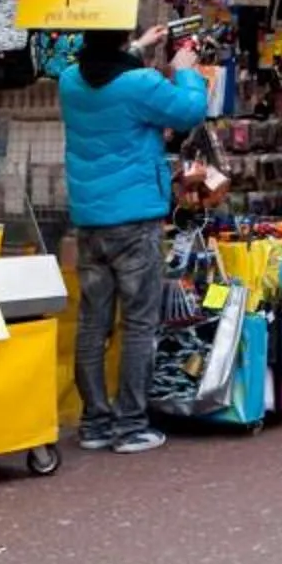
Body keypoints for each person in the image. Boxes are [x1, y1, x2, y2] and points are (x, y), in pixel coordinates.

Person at [60, 24, 209, 451]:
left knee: (93, 322)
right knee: (140, 323)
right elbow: (188, 111)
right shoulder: (140, 85)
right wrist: (185, 70)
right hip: (136, 217)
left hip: (90, 217)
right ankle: (130, 425)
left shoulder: (71, 81)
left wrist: (138, 48)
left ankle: (94, 423)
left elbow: (107, 76)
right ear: (121, 39)